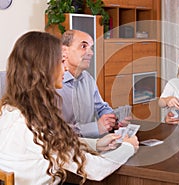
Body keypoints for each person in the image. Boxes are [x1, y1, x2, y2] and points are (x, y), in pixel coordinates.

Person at [0, 31, 139, 185]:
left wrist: (96, 144)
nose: (65, 68)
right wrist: (128, 147)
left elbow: (57, 142)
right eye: (61, 61)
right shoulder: (34, 126)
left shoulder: (10, 110)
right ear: (44, 68)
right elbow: (96, 170)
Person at [57, 29, 130, 138]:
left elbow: (101, 108)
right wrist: (95, 128)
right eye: (83, 47)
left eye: (91, 48)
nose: (91, 53)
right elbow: (53, 130)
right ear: (64, 51)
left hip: (91, 144)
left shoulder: (88, 78)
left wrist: (113, 119)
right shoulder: (52, 84)